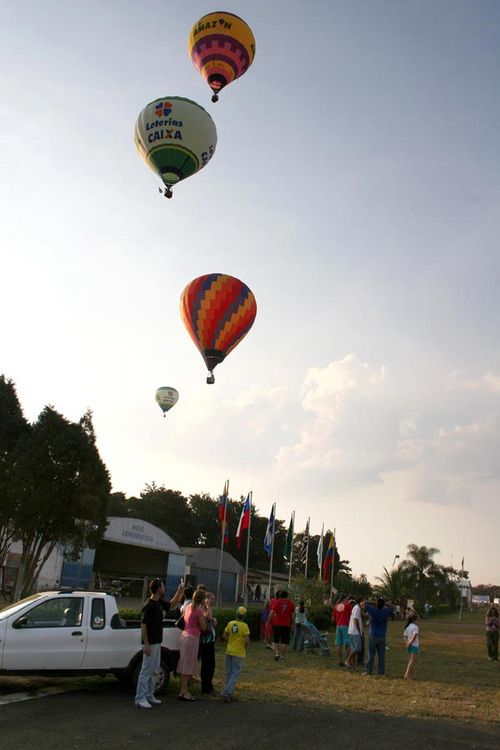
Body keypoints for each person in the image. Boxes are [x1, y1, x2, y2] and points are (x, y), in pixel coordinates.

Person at [135, 578, 184, 709]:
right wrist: (146, 644)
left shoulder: (159, 602)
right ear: (157, 589)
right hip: (150, 642)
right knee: (146, 670)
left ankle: (150, 695)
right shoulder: (148, 605)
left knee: (154, 669)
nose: (164, 588)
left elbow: (171, 605)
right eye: (162, 586)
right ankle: (140, 698)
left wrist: (180, 591)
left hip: (157, 641)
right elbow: (143, 625)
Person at [177, 588, 207, 701]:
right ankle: (184, 691)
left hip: (185, 635)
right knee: (187, 664)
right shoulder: (198, 611)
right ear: (202, 600)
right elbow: (203, 627)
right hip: (192, 638)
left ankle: (183, 689)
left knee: (184, 662)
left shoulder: (188, 606)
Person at [222, 606, 250, 703]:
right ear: (244, 616)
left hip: (229, 650)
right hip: (239, 652)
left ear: (236, 614)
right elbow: (247, 640)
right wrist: (245, 647)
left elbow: (224, 635)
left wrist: (228, 643)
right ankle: (227, 692)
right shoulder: (245, 626)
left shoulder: (231, 623)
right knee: (235, 673)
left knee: (229, 672)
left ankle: (229, 693)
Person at [363, 597, 394, 676]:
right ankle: (381, 672)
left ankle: (369, 671)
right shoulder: (385, 611)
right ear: (383, 605)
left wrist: (372, 602)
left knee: (371, 654)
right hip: (382, 635)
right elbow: (392, 607)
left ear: (376, 604)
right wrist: (385, 603)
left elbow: (365, 604)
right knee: (381, 656)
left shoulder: (373, 610)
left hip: (373, 634)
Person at [199, 591, 218, 696]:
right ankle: (206, 687)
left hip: (210, 641)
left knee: (211, 664)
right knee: (207, 664)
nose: (213, 601)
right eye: (212, 598)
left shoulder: (206, 608)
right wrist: (208, 606)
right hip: (206, 642)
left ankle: (209, 685)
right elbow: (209, 618)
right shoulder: (203, 608)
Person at [269, 590, 296, 662]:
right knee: (285, 642)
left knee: (275, 641)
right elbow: (293, 615)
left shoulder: (277, 602)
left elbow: (272, 612)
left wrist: (268, 621)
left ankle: (277, 654)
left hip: (277, 624)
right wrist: (293, 623)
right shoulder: (291, 603)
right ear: (287, 596)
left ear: (280, 596)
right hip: (286, 625)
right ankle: (283, 657)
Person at [332, 594, 352, 666]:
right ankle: (348, 660)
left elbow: (333, 618)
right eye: (347, 598)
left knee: (339, 644)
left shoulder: (336, 606)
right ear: (344, 598)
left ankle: (340, 661)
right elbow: (351, 615)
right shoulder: (348, 605)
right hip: (346, 626)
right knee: (349, 644)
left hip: (338, 626)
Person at [345, 597, 364, 670]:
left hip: (352, 631)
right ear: (360, 602)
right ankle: (347, 660)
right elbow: (355, 620)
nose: (364, 605)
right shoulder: (357, 608)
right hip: (355, 631)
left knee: (354, 648)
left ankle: (353, 665)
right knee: (357, 647)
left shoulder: (357, 608)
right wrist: (359, 630)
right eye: (364, 603)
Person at [403, 613, 419, 679]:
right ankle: (406, 675)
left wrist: (407, 643)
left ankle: (410, 675)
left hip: (409, 645)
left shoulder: (407, 626)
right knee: (412, 661)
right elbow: (414, 636)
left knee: (410, 660)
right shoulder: (415, 627)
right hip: (414, 645)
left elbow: (404, 636)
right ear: (414, 620)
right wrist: (410, 643)